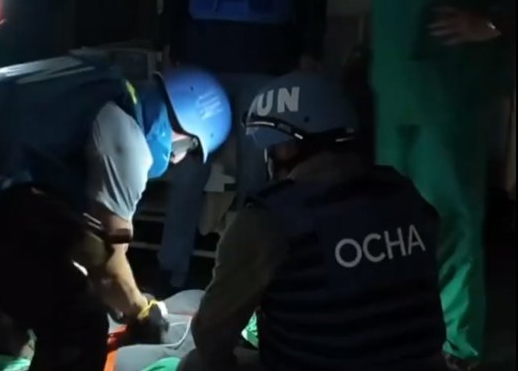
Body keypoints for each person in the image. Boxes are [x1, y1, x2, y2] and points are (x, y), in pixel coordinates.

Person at [0, 50, 232, 370]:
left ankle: (1, 358)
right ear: (182, 128)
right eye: (186, 149)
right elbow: (109, 269)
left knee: (16, 272)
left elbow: (66, 225)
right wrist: (140, 311)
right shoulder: (127, 140)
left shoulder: (93, 88)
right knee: (80, 320)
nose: (174, 161)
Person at [164, 72, 446, 371]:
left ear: (286, 148)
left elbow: (212, 338)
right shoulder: (402, 193)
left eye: (270, 148)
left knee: (195, 365)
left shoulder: (269, 218)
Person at [371, 0, 514, 369]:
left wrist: (495, 22)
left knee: (448, 214)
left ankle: (455, 345)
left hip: (450, 84)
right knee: (391, 219)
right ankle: (396, 330)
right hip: (396, 76)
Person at [157, 0, 329, 294]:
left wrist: (310, 49)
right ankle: (171, 273)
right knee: (190, 171)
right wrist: (168, 42)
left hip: (265, 59)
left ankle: (250, 272)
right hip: (203, 59)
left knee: (256, 178)